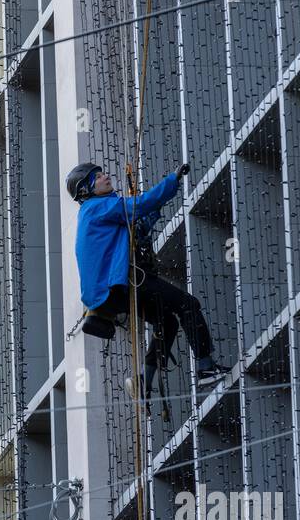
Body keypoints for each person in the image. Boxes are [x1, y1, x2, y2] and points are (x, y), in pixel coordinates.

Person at [67, 160, 230, 393]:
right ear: (87, 189)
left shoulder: (103, 210)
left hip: (116, 291)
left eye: (103, 173)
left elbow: (139, 227)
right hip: (122, 283)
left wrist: (153, 208)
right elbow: (140, 205)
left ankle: (144, 378)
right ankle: (205, 367)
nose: (106, 176)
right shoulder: (96, 207)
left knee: (168, 320)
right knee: (188, 304)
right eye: (99, 176)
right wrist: (171, 182)